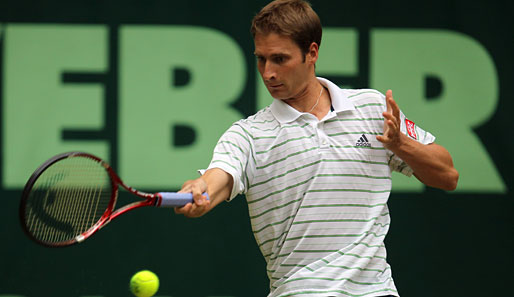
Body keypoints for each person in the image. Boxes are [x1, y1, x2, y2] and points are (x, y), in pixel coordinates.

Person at [175, 0, 459, 296]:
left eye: (280, 59)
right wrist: (201, 190)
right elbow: (217, 179)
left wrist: (401, 145)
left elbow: (448, 175)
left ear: (312, 53)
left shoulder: (372, 108)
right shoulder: (249, 135)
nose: (268, 72)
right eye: (261, 59)